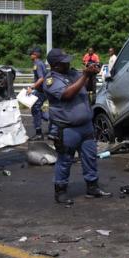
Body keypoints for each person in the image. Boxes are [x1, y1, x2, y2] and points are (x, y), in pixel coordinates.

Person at [43, 48, 111, 204]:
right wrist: (85, 76)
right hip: (67, 128)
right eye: (64, 61)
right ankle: (60, 192)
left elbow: (86, 86)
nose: (68, 63)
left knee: (90, 157)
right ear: (56, 65)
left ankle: (92, 187)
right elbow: (67, 94)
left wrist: (91, 73)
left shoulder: (73, 74)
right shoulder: (51, 80)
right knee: (65, 160)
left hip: (86, 126)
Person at [27, 47, 49, 140]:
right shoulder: (38, 63)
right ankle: (51, 119)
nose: (30, 55)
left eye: (31, 53)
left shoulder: (38, 64)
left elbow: (41, 78)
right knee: (36, 108)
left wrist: (32, 87)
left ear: (35, 54)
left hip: (41, 91)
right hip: (41, 90)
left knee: (35, 109)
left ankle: (39, 133)